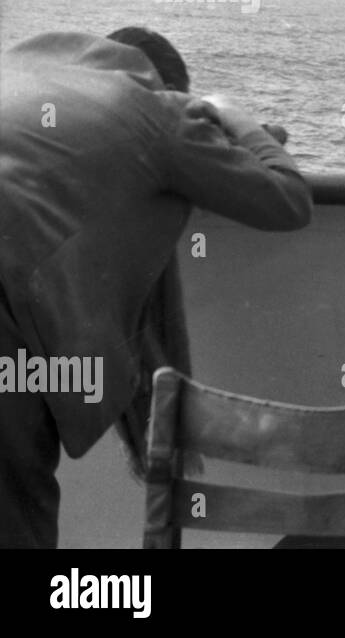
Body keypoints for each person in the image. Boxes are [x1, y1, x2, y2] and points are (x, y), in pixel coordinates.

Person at [0, 28, 313, 547]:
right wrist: (233, 117)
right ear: (170, 89)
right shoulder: (156, 111)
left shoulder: (21, 70)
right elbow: (288, 198)